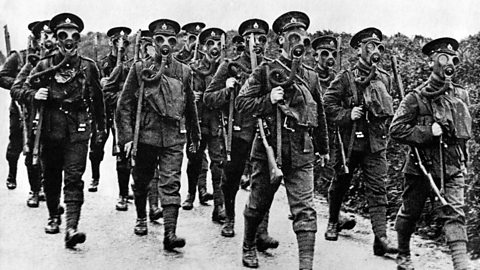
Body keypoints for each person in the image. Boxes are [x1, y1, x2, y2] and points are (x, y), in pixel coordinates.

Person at [235, 11, 329, 269]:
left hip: (302, 148)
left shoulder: (309, 75)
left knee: (305, 210)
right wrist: (269, 100)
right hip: (270, 148)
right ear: (281, 41)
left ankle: (305, 265)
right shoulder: (266, 71)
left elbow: (318, 112)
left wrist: (324, 148)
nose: (298, 42)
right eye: (292, 37)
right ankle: (248, 245)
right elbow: (242, 103)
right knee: (258, 202)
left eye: (302, 38)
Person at [23, 13, 106, 248]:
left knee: (73, 177)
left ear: (78, 40)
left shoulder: (89, 67)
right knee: (51, 176)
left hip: (78, 128)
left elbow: (97, 100)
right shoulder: (44, 65)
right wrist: (34, 95)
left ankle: (71, 227)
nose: (68, 41)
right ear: (57, 39)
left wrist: (101, 129)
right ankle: (53, 216)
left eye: (73, 37)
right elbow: (23, 89)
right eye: (63, 36)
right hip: (51, 129)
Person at [116, 18, 201, 251]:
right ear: (153, 42)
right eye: (160, 39)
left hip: (174, 136)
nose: (165, 44)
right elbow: (123, 105)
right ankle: (141, 217)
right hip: (146, 135)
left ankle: (170, 234)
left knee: (171, 182)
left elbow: (190, 107)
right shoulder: (139, 68)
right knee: (142, 179)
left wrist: (195, 137)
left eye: (170, 40)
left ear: (176, 43)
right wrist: (125, 138)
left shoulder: (184, 71)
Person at [390, 37, 472, 270]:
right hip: (421, 168)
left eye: (453, 59)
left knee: (454, 213)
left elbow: (463, 134)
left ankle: (461, 264)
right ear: (430, 63)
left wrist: (463, 161)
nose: (449, 64)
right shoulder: (415, 97)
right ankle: (403, 253)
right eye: (443, 58)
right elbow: (396, 130)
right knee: (410, 213)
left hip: (452, 166)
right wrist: (427, 132)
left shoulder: (461, 95)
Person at [204, 18, 278, 252]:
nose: (257, 44)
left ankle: (261, 231)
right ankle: (229, 218)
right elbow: (209, 98)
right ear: (244, 42)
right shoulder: (230, 66)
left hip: (264, 132)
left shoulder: (271, 67)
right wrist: (228, 88)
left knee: (264, 182)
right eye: (251, 39)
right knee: (232, 178)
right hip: (238, 131)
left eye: (262, 39)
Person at [323, 27, 398, 256]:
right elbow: (328, 104)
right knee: (341, 182)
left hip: (375, 144)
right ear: (359, 49)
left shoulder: (384, 77)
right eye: (369, 46)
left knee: (378, 189)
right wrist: (348, 114)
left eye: (378, 46)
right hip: (350, 142)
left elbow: (388, 106)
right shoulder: (345, 77)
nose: (375, 51)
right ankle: (333, 221)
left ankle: (380, 238)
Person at [310, 35, 356, 233]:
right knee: (309, 170)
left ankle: (335, 216)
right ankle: (304, 208)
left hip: (334, 130)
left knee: (334, 173)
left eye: (332, 54)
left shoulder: (338, 78)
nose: (328, 57)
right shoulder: (308, 76)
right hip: (312, 129)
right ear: (315, 56)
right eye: (324, 53)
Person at [183, 27, 227, 223]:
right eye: (210, 44)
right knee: (194, 160)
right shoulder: (193, 69)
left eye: (218, 44)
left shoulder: (226, 70)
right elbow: (183, 94)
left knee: (219, 165)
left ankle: (219, 206)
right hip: (197, 123)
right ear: (202, 47)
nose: (214, 48)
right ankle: (191, 194)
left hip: (218, 123)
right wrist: (191, 96)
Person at [10, 20, 55, 208]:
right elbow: (16, 89)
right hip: (35, 115)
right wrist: (33, 95)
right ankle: (35, 190)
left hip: (57, 118)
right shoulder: (32, 64)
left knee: (53, 156)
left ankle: (50, 191)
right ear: (38, 40)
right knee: (32, 152)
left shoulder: (63, 61)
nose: (50, 40)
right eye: (45, 37)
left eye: (53, 35)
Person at [87, 27, 132, 204]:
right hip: (104, 111)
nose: (121, 46)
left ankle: (123, 193)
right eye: (117, 42)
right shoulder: (102, 63)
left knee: (122, 150)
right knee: (97, 144)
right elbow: (92, 87)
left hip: (121, 113)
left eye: (125, 43)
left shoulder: (130, 65)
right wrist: (101, 83)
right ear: (110, 43)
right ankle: (95, 176)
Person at [175, 22, 213, 210]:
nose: (194, 43)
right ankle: (191, 193)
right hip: (188, 115)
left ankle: (203, 189)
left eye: (198, 40)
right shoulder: (179, 59)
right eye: (191, 39)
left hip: (208, 115)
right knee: (194, 153)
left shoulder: (210, 62)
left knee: (203, 154)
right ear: (184, 39)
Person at [0, 21, 39, 191]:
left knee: (39, 144)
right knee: (16, 141)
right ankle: (12, 174)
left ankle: (38, 185)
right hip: (20, 106)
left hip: (40, 107)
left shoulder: (52, 59)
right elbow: (2, 77)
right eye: (39, 38)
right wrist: (18, 84)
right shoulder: (19, 56)